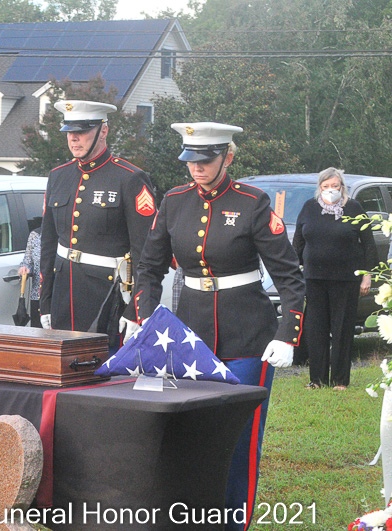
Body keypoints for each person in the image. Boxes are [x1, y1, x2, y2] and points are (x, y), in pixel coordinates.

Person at [123, 122, 305, 531]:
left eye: (206, 160)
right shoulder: (174, 202)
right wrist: (145, 316)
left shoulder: (252, 203)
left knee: (238, 441)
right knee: (193, 434)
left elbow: (290, 276)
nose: (197, 168)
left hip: (248, 337)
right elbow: (149, 267)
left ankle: (233, 523)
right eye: (190, 160)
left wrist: (287, 334)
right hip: (190, 337)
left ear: (228, 157)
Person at [40, 100, 156, 348]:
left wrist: (137, 309)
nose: (73, 138)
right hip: (63, 296)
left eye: (81, 131)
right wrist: (45, 300)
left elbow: (146, 253)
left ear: (103, 130)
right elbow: (48, 244)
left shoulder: (130, 178)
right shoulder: (58, 176)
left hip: (107, 299)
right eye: (69, 132)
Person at [293, 167, 376, 390]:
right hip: (314, 278)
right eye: (326, 186)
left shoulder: (354, 208)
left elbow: (368, 244)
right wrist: (295, 273)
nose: (330, 190)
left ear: (342, 187)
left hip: (346, 279)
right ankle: (317, 379)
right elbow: (298, 242)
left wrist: (366, 275)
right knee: (316, 328)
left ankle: (340, 380)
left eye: (335, 186)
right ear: (319, 188)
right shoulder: (309, 208)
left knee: (342, 328)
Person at [18, 226, 42, 328]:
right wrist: (25, 268)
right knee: (38, 333)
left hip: (59, 296)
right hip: (38, 296)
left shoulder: (64, 235)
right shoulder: (35, 235)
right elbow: (28, 261)